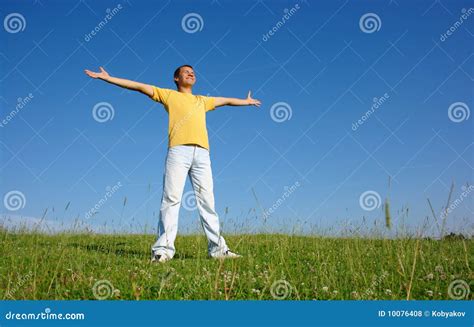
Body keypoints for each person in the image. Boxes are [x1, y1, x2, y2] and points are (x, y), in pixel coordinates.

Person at [84, 65, 261, 262]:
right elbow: (137, 86)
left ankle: (218, 250)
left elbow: (227, 100)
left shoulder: (202, 100)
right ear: (176, 78)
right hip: (178, 151)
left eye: (193, 72)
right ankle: (162, 251)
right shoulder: (168, 95)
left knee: (207, 202)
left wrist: (245, 102)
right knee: (171, 199)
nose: (191, 73)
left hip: (202, 154)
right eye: (186, 72)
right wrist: (108, 78)